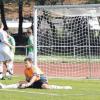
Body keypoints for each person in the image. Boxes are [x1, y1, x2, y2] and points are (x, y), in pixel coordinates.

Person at [0, 58, 72, 90]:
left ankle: (63, 87)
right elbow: (28, 79)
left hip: (41, 80)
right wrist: (25, 84)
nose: (25, 64)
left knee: (45, 87)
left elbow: (35, 77)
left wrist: (28, 84)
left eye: (26, 63)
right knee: (20, 83)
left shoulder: (34, 68)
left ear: (31, 63)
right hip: (33, 81)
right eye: (24, 63)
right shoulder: (25, 70)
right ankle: (4, 86)